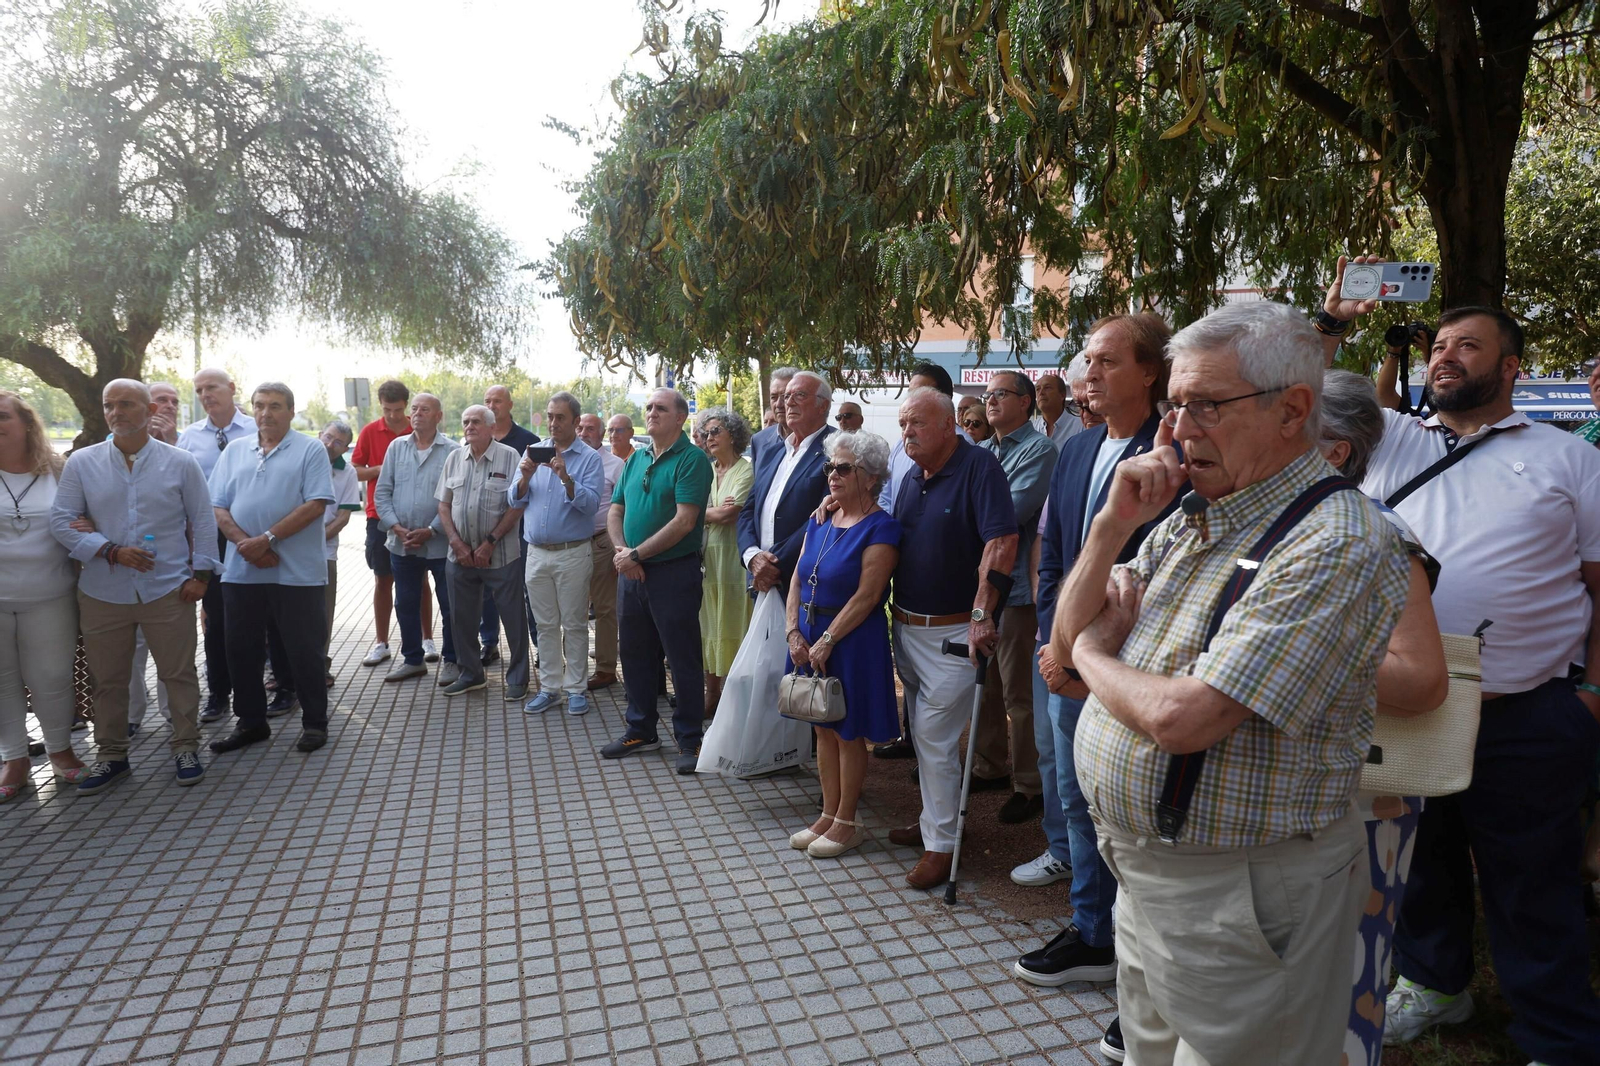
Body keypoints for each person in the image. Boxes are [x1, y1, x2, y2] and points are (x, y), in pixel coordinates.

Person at [1053, 301, 1409, 1066]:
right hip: (1150, 878)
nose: (1180, 428)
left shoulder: (1338, 539)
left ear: (1294, 410)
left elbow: (1184, 719)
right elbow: (1061, 636)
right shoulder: (1190, 517)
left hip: (1242, 895)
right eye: (1175, 404)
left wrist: (1092, 659)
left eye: (1207, 404)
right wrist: (1112, 527)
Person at [1323, 279, 1600, 1063]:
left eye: (1467, 345)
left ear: (1512, 366)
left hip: (1528, 710)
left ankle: (1557, 1033)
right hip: (1409, 701)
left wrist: (1592, 695)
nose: (1446, 357)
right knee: (1419, 863)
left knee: (1531, 881)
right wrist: (1334, 319)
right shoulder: (1395, 437)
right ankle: (1436, 985)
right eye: (1440, 346)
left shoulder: (1569, 457)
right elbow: (1298, 394)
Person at [1015, 313, 1174, 1002]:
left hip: (1130, 666)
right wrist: (1057, 645)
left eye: (1107, 360)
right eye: (1087, 360)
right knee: (1073, 798)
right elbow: (1052, 559)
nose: (1089, 373)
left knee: (1119, 807)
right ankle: (1093, 934)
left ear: (1149, 371)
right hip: (1064, 658)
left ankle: (1134, 949)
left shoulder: (1171, 454)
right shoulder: (1076, 450)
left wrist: (1080, 657)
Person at [1315, 370, 1450, 1066]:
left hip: (1367, 793)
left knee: (1345, 991)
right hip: (1308, 797)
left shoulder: (1379, 534)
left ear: (1333, 450)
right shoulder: (1281, 524)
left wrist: (1296, 655)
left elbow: (1423, 679)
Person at [49, 379, 217, 792]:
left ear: (148, 411)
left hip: (167, 589)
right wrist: (109, 550)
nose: (116, 412)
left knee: (177, 673)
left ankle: (185, 747)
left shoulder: (180, 462)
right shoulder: (82, 463)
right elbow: (60, 521)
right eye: (110, 405)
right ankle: (111, 756)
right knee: (108, 679)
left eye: (126, 404)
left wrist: (201, 577)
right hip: (104, 591)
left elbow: (203, 519)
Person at [885, 387, 1017, 890]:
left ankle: (942, 847)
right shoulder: (912, 477)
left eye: (917, 423)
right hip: (908, 628)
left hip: (957, 633)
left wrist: (984, 614)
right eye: (903, 425)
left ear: (948, 426)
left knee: (935, 739)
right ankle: (931, 827)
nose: (908, 433)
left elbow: (1002, 542)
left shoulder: (979, 468)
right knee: (920, 733)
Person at [785, 430, 901, 858]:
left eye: (844, 468)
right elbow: (797, 576)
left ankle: (847, 821)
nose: (833, 475)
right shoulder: (822, 517)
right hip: (810, 634)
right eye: (830, 467)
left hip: (851, 640)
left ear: (870, 477)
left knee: (848, 733)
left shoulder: (882, 527)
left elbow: (869, 595)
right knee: (822, 726)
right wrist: (792, 631)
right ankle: (828, 813)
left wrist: (828, 640)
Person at [208, 382, 336, 755]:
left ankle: (314, 723)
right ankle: (250, 722)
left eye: (276, 406)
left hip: (297, 573)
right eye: (260, 405)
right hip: (242, 571)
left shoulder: (310, 449)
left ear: (291, 411)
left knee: (303, 651)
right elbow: (218, 506)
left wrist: (267, 540)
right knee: (241, 651)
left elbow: (316, 504)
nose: (267, 413)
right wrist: (247, 546)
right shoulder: (234, 451)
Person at [603, 388, 714, 774]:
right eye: (648, 407)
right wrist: (623, 553)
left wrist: (637, 555)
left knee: (681, 657)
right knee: (633, 652)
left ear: (681, 417)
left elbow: (685, 521)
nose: (651, 413)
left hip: (672, 573)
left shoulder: (692, 459)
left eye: (660, 408)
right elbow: (616, 511)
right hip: (630, 571)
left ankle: (690, 738)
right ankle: (641, 728)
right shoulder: (635, 460)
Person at [972, 371, 1058, 822]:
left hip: (1018, 590)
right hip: (982, 585)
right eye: (986, 395)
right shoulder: (982, 451)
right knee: (983, 683)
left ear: (1025, 403)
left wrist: (970, 510)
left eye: (999, 394)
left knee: (1017, 693)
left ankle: (1030, 784)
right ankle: (988, 765)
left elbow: (1012, 511)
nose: (989, 401)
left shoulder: (1040, 450)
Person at [0, 392, 89, 801]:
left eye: (3, 417)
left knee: (52, 678)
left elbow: (83, 521)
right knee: (3, 683)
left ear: (26, 424)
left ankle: (61, 752)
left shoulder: (59, 470)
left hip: (50, 595)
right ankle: (14, 760)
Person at [510, 391, 602, 715]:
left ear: (576, 422)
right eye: (549, 416)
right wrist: (524, 477)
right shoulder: (533, 452)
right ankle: (550, 687)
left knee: (574, 624)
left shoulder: (589, 458)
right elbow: (513, 500)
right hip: (535, 553)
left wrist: (566, 477)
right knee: (545, 624)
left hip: (572, 552)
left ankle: (576, 688)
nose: (552, 423)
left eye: (560, 417)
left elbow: (591, 505)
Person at [176, 367, 255, 723]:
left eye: (212, 387)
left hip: (252, 533)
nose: (206, 394)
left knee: (261, 614)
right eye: (199, 390)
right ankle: (219, 694)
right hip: (210, 538)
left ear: (232, 388)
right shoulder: (190, 438)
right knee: (217, 619)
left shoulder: (257, 429)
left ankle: (278, 687)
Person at [436, 404, 528, 698]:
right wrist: (456, 543)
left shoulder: (509, 456)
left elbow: (517, 505)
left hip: (500, 556)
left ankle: (518, 678)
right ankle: (471, 674)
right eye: (465, 422)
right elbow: (443, 505)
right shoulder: (453, 458)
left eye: (476, 421)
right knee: (460, 618)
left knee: (513, 619)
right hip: (459, 556)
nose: (470, 426)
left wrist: (490, 542)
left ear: (491, 426)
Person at [374, 394, 459, 686]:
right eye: (415, 409)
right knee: (405, 602)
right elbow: (382, 493)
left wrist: (432, 530)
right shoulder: (397, 448)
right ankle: (412, 660)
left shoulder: (453, 451)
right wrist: (396, 527)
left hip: (440, 543)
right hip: (402, 543)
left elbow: (455, 497)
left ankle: (452, 660)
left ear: (439, 416)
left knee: (450, 604)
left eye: (425, 409)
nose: (418, 414)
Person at [350, 379, 434, 669]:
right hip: (380, 518)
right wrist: (378, 469)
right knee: (382, 580)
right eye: (388, 410)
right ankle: (381, 643)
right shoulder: (370, 431)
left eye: (399, 410)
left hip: (419, 522)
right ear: (380, 406)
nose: (394, 416)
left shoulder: (420, 427)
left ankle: (428, 640)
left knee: (421, 581)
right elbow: (355, 470)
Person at [739, 372, 835, 604]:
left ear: (823, 405)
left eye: (799, 395)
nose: (787, 402)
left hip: (803, 583)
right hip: (760, 578)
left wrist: (772, 564)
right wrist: (752, 557)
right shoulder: (773, 449)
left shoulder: (837, 448)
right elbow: (749, 509)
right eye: (786, 396)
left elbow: (826, 517)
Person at [127, 380, 182, 730]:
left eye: (175, 401)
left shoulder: (182, 452)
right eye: (162, 400)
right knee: (130, 651)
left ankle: (174, 714)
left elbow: (199, 509)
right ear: (146, 407)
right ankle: (132, 715)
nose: (170, 406)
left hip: (170, 568)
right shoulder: (109, 449)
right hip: (124, 568)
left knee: (171, 652)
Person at [696, 407, 755, 718]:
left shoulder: (745, 470)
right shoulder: (706, 470)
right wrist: (708, 512)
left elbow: (729, 514)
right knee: (710, 626)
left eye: (716, 431)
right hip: (707, 559)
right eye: (706, 434)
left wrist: (699, 514)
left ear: (733, 434)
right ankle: (711, 695)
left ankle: (735, 697)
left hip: (733, 557)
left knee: (733, 624)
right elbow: (702, 509)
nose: (709, 438)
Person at [479, 384, 540, 666]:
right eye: (487, 401)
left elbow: (536, 488)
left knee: (530, 590)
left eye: (498, 401)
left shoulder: (529, 441)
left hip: (522, 530)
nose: (492, 406)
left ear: (510, 405)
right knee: (486, 591)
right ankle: (489, 642)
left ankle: (539, 645)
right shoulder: (478, 438)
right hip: (486, 532)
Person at [578, 413, 625, 690]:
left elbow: (623, 507)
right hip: (570, 544)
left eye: (591, 429)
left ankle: (606, 669)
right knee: (573, 610)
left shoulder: (615, 465)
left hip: (602, 543)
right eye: (580, 427)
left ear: (602, 433)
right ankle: (575, 667)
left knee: (605, 609)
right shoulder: (567, 461)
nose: (584, 433)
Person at [319, 420, 361, 686]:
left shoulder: (347, 472)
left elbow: (343, 517)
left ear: (346, 448)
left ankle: (320, 665)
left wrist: (313, 541)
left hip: (325, 552)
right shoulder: (300, 459)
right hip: (288, 548)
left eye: (338, 442)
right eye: (328, 437)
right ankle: (283, 670)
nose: (330, 445)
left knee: (322, 611)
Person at [750, 366, 798, 465]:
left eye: (785, 396)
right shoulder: (758, 441)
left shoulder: (829, 440)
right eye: (773, 397)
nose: (778, 404)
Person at [1033, 370, 1085, 449]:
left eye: (1047, 388)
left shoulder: (1080, 426)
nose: (1041, 393)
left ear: (1062, 395)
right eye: (1037, 389)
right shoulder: (1032, 429)